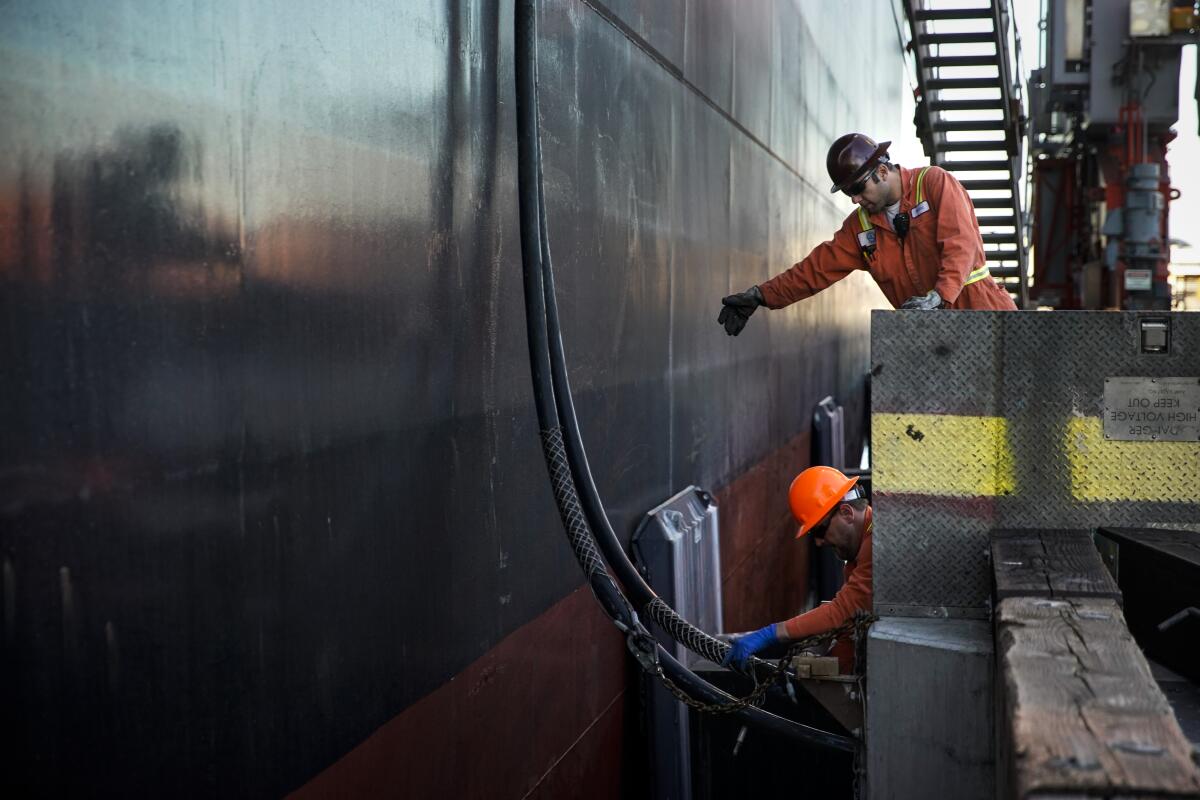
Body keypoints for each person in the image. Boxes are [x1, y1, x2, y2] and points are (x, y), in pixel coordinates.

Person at [718, 133, 1017, 336]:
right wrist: (761, 295)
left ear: (883, 172)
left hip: (984, 319)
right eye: (848, 192)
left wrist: (940, 296)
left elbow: (960, 245)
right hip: (930, 338)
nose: (855, 199)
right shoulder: (860, 227)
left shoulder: (935, 184)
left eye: (858, 189)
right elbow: (814, 271)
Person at [722, 466, 872, 673]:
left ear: (846, 513)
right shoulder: (857, 556)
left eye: (820, 530)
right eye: (813, 534)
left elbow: (841, 611)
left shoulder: (878, 545)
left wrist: (770, 633)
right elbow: (849, 623)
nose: (819, 542)